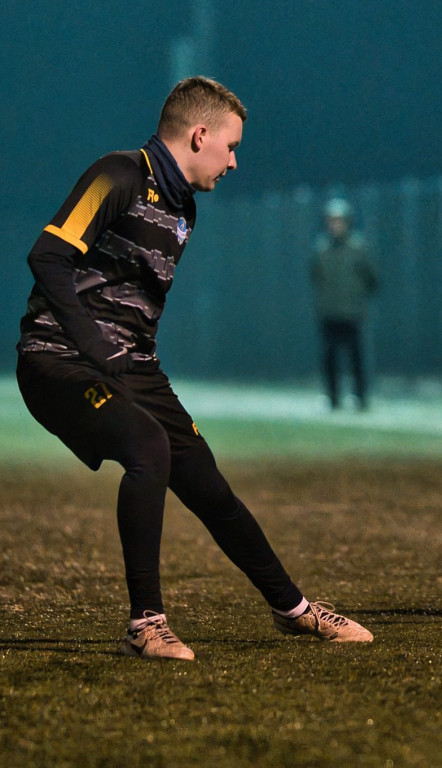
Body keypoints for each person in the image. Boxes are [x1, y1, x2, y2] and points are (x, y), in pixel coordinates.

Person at [16, 76, 373, 661]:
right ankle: (145, 625)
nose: (233, 163)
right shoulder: (117, 174)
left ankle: (295, 611)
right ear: (199, 135)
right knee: (147, 448)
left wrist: (127, 360)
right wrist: (94, 347)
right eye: (230, 147)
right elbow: (47, 256)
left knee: (207, 483)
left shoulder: (185, 206)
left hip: (130, 366)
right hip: (59, 359)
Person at [310, 197, 379, 410]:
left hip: (352, 312)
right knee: (330, 357)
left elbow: (371, 278)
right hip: (329, 312)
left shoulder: (358, 248)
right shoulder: (321, 249)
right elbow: (316, 277)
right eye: (332, 220)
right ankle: (333, 398)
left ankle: (360, 396)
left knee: (356, 356)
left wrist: (358, 297)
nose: (335, 225)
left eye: (339, 220)